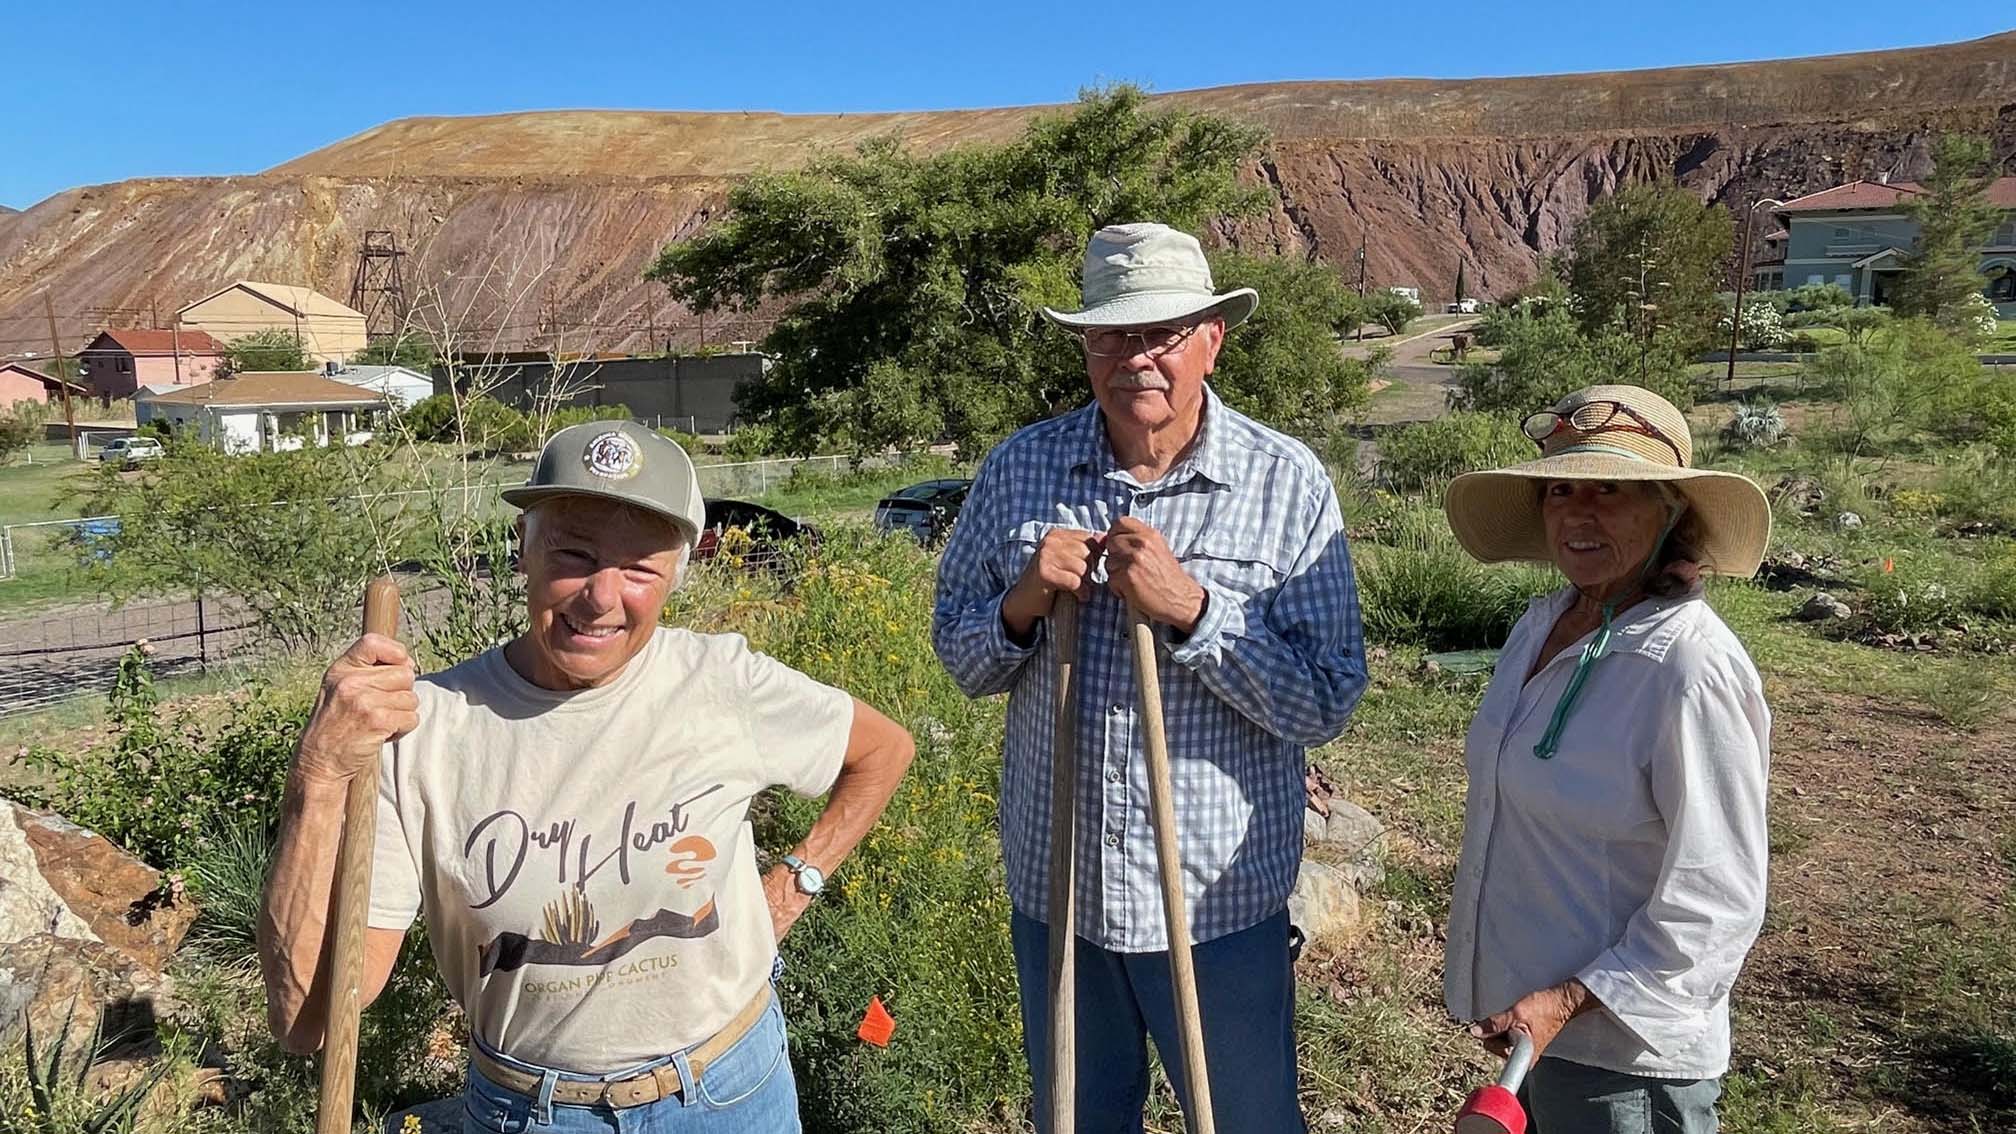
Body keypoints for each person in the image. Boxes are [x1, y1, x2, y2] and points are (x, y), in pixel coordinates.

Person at [257, 421, 915, 1132]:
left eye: (640, 568)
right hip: (532, 1113)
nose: (602, 597)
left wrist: (792, 886)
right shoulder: (426, 731)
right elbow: (311, 1021)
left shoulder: (721, 683)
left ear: (676, 575)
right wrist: (320, 772)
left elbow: (883, 753)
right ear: (524, 552)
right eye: (574, 554)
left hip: (731, 1091)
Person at [933, 223, 1369, 1133]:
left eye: (1162, 332)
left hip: (1219, 902)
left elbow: (1328, 699)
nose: (1137, 357)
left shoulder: (1286, 483)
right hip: (1063, 897)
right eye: (1111, 334)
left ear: (1212, 338)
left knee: (1248, 1121)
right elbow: (959, 656)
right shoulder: (1022, 471)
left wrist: (1194, 611)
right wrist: (1021, 604)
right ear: (1086, 346)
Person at [1440, 385, 1773, 1133]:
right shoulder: (1543, 624)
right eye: (1561, 489)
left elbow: (1718, 900)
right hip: (1535, 1035)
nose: (1578, 512)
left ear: (1672, 512)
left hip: (1625, 1057)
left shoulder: (1688, 667)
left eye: (1611, 489)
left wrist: (1565, 1001)